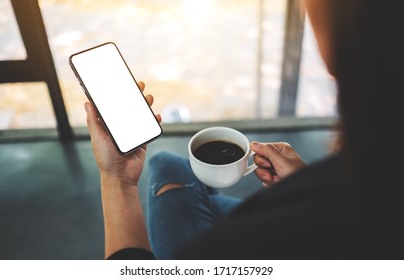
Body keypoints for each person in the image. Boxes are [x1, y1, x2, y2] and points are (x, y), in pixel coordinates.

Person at [84, 0, 404, 259]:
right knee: (168, 163)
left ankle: (207, 189)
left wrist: (118, 179)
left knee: (165, 165)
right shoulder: (372, 185)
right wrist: (304, 184)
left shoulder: (228, 247)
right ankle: (209, 189)